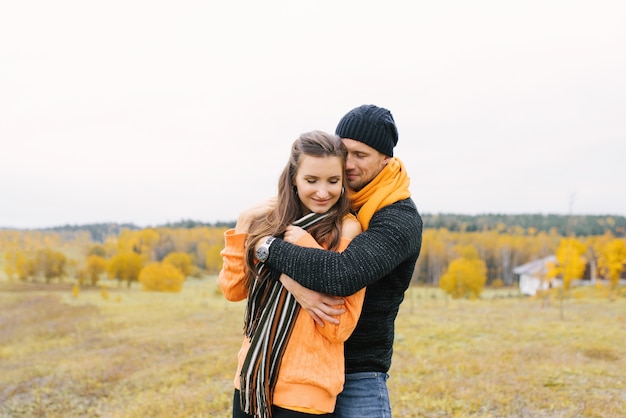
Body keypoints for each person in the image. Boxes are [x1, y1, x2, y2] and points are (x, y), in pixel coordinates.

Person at [254, 105, 423, 417]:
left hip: (359, 371)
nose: (349, 163)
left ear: (386, 159)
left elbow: (341, 274)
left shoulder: (398, 218)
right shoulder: (330, 200)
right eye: (345, 152)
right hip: (307, 365)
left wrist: (266, 247)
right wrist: (289, 279)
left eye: (361, 155)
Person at [219, 130, 365, 418]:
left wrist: (301, 246)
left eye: (333, 181)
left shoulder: (347, 229)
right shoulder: (269, 222)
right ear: (293, 179)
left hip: (306, 394)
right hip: (251, 380)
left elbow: (340, 326)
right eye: (312, 180)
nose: (323, 192)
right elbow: (233, 290)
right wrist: (244, 223)